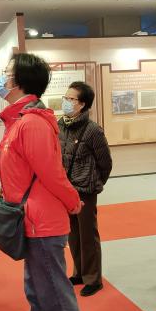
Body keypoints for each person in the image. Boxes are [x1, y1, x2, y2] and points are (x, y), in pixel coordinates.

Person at [0, 53, 89, 311]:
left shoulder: (32, 123)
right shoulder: (20, 120)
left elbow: (52, 174)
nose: (3, 78)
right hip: (30, 220)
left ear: (20, 81)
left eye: (7, 72)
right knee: (38, 290)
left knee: (55, 294)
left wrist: (73, 202)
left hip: (43, 222)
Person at [58, 81, 112, 297]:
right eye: (66, 97)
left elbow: (105, 163)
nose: (66, 102)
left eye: (70, 99)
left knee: (88, 235)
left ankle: (93, 278)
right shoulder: (60, 125)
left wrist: (93, 182)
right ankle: (79, 272)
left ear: (82, 104)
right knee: (72, 234)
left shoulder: (92, 130)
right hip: (65, 190)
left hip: (85, 190)